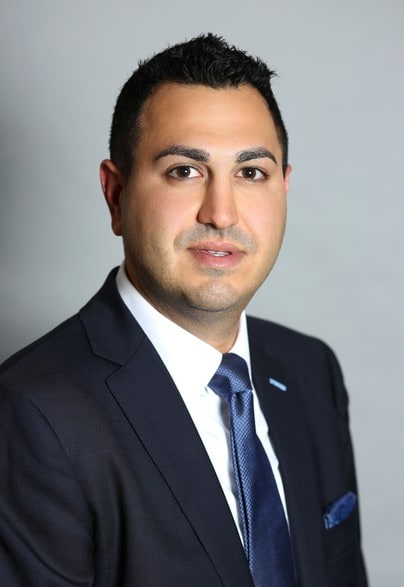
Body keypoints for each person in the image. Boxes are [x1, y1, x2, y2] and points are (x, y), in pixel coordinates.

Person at [0, 34, 367, 586]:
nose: (221, 213)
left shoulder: (311, 370)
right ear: (116, 195)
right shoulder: (33, 414)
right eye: (184, 171)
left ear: (284, 189)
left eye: (251, 172)